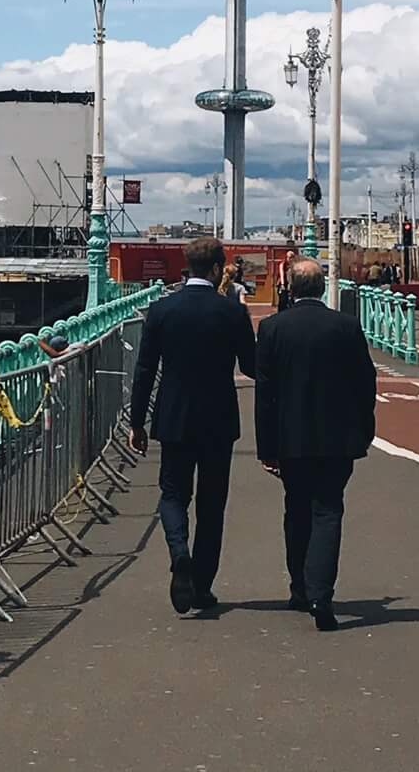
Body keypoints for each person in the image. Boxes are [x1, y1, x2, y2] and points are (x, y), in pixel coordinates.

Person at [128, 236, 256, 615]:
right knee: (212, 504)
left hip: (173, 416)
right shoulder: (231, 313)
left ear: (188, 267)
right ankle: (201, 585)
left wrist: (137, 422)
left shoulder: (162, 310)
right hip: (218, 419)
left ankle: (179, 553)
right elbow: (250, 366)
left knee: (172, 494)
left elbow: (145, 370)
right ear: (217, 269)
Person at [254, 258, 378, 632]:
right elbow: (365, 382)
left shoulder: (273, 328)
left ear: (291, 289)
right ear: (323, 288)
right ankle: (321, 595)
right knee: (328, 511)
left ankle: (299, 587)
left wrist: (266, 447)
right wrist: (364, 428)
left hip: (290, 437)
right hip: (337, 438)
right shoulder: (345, 326)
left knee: (297, 509)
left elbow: (265, 393)